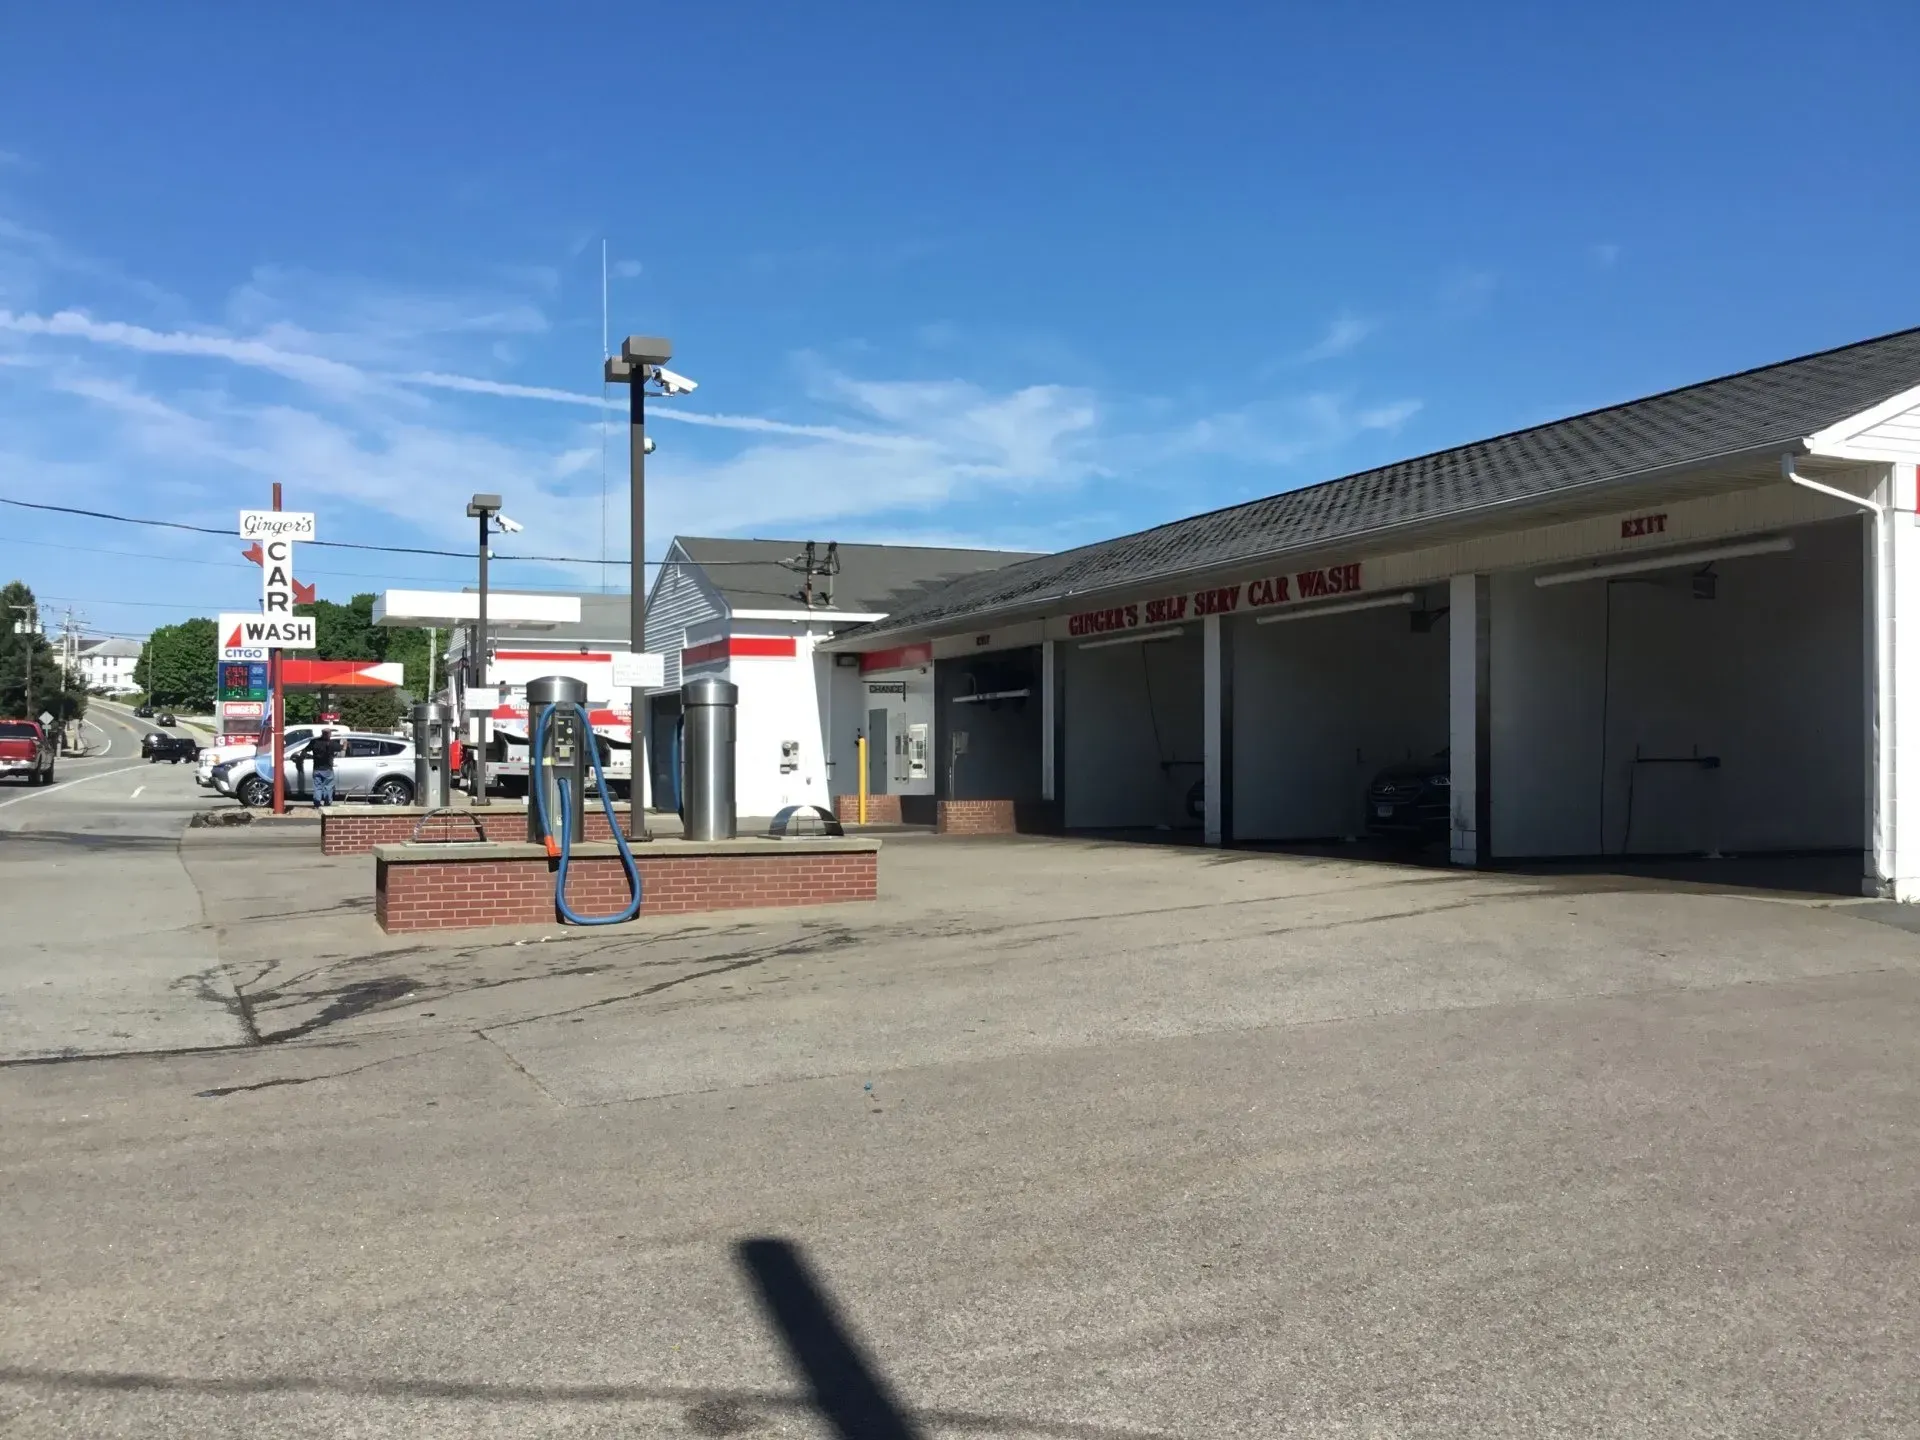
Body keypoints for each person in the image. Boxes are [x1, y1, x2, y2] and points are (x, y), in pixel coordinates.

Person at [308, 728, 339, 810]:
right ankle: (327, 803)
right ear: (329, 734)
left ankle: (317, 804)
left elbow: (306, 750)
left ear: (322, 733)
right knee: (328, 786)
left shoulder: (314, 742)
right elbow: (342, 748)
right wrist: (346, 744)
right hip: (327, 769)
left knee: (317, 787)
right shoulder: (332, 744)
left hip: (317, 769)